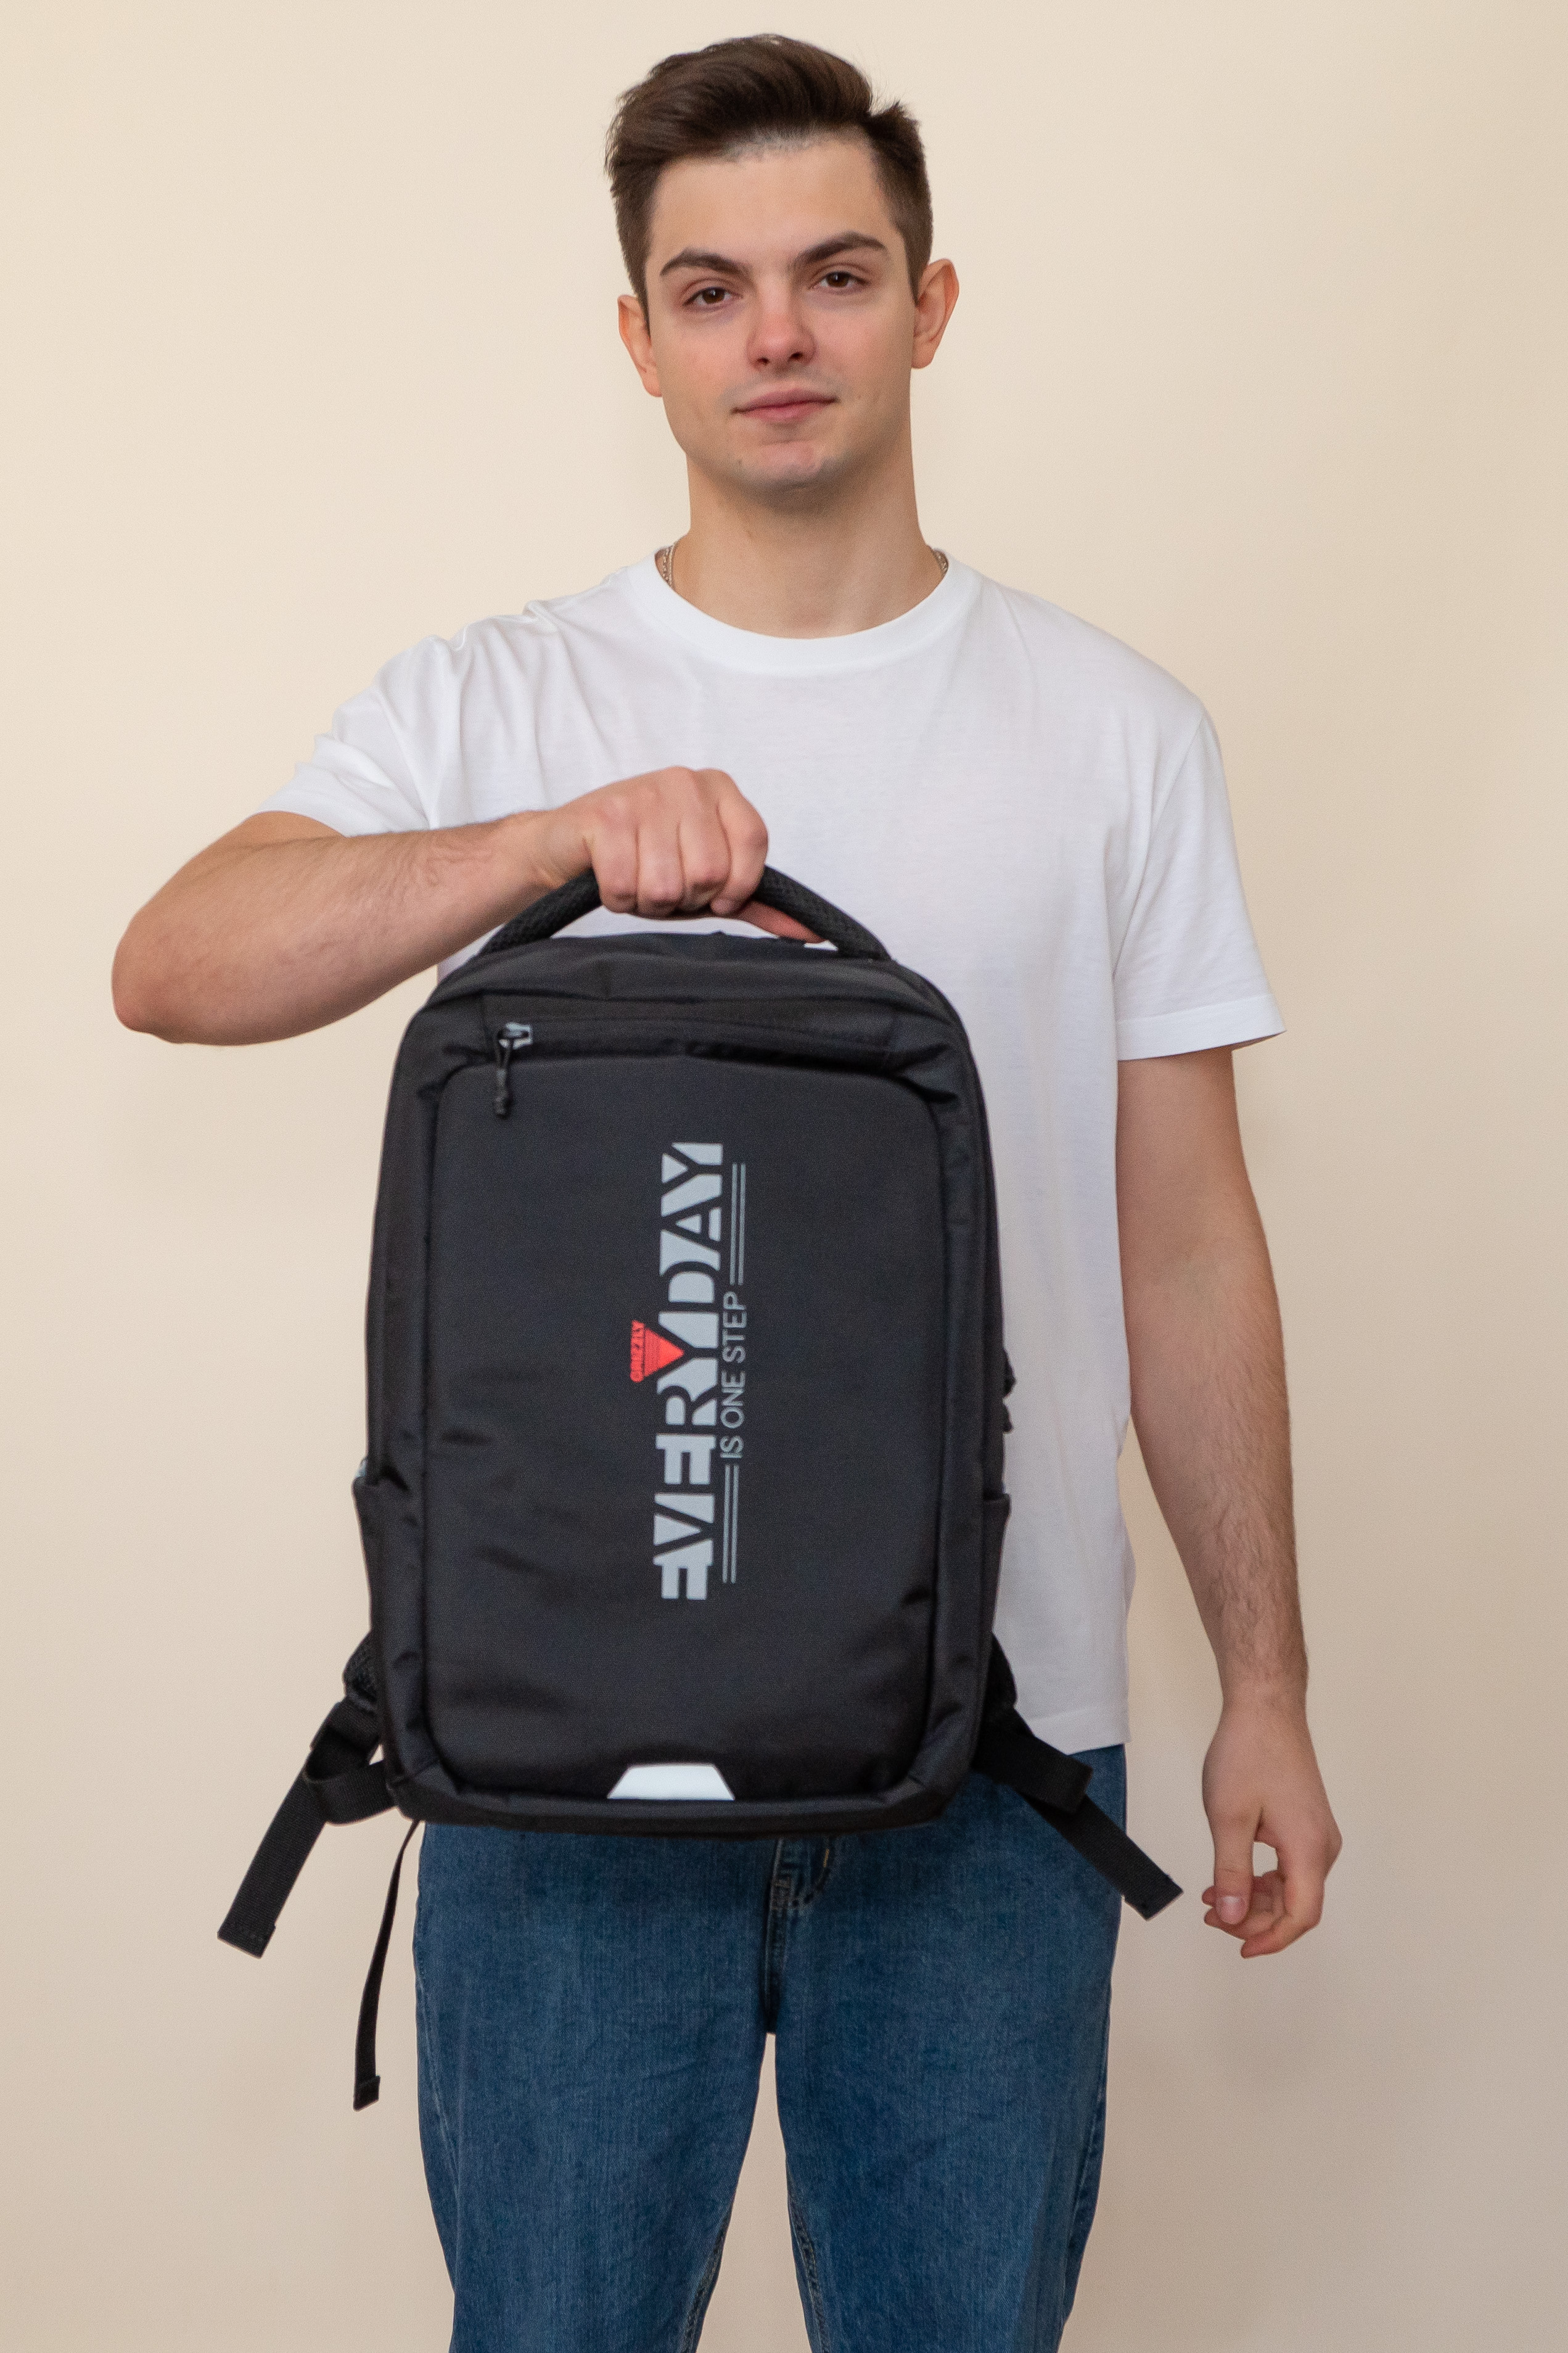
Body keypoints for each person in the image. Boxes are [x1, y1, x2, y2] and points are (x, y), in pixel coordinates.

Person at [113, 33, 1340, 2353]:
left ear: (931, 307)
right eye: (712, 289)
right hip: (562, 1750)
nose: (776, 334)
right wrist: (545, 846)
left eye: (835, 275)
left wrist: (1264, 1682)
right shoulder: (498, 699)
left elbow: (1187, 1245)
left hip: (994, 1752)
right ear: (639, 338)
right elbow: (174, 965)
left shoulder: (1116, 734)